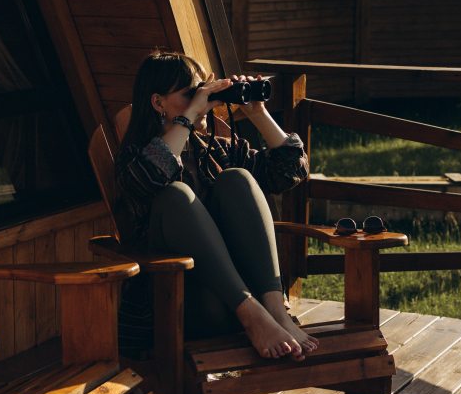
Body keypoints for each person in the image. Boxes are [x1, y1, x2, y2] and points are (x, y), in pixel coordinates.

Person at [116, 51, 318, 360]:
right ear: (158, 103)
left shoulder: (213, 151)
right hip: (181, 304)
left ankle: (276, 312)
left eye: (202, 91)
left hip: (238, 301)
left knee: (238, 178)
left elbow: (290, 171)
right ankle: (254, 316)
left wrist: (257, 114)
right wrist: (188, 117)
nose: (202, 99)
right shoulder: (135, 157)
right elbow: (148, 177)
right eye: (190, 94)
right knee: (176, 196)